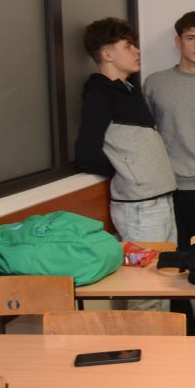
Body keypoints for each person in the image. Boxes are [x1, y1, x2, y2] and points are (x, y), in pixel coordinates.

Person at [143, 11, 195, 327]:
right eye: (191, 38)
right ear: (178, 41)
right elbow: (144, 137)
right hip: (169, 189)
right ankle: (183, 329)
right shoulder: (155, 84)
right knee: (172, 264)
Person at [75, 17, 177, 270]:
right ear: (107, 54)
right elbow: (86, 153)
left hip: (160, 200)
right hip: (139, 208)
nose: (136, 51)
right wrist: (127, 174)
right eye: (128, 46)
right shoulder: (99, 94)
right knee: (146, 282)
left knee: (166, 275)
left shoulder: (129, 90)